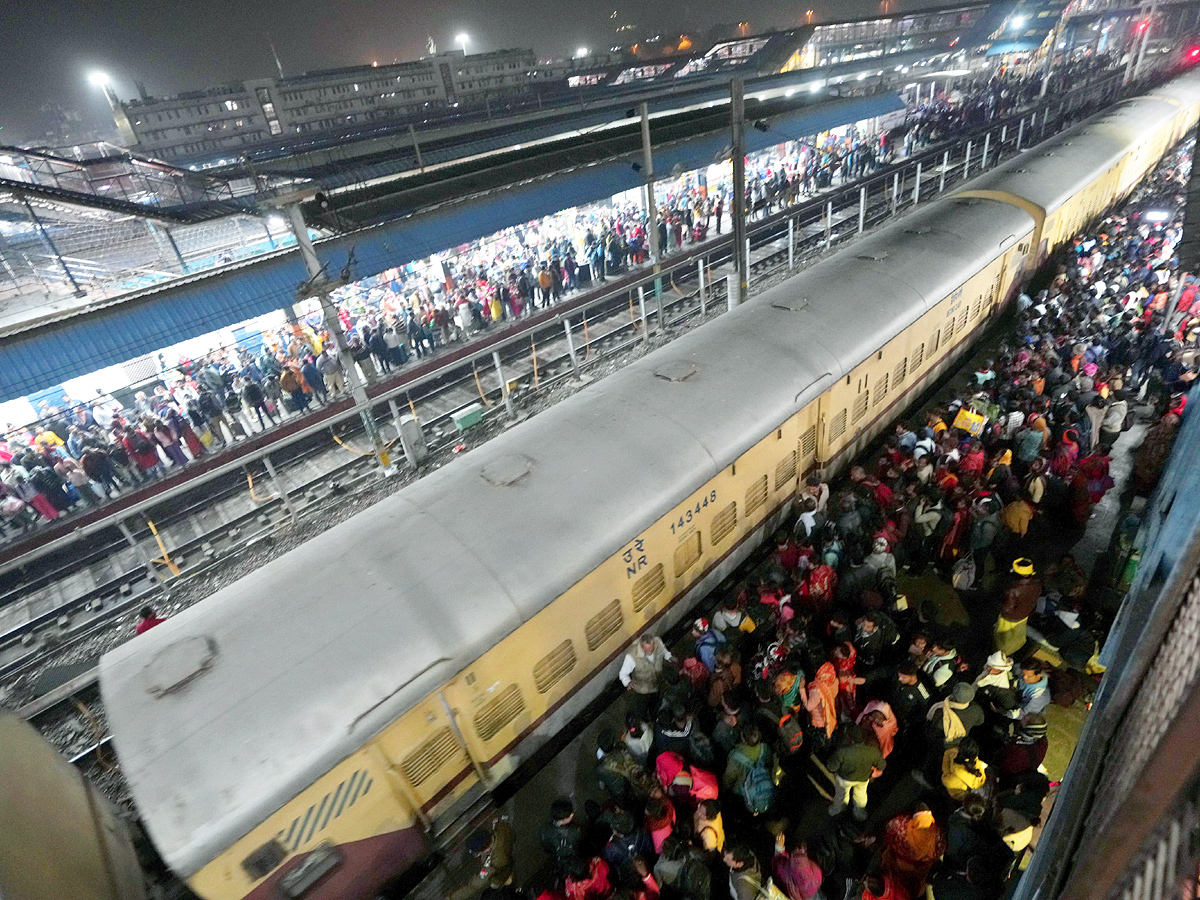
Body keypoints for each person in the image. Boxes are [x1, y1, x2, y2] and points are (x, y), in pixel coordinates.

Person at [825, 724, 884, 820]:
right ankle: (860, 813)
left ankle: (838, 809)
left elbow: (832, 768)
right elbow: (882, 765)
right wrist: (874, 773)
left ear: (851, 738)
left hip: (845, 779)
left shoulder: (843, 752)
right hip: (863, 779)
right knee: (860, 796)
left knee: (841, 795)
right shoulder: (872, 752)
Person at [618, 634, 674, 720]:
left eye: (652, 649)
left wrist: (669, 656)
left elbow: (663, 651)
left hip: (656, 684)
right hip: (642, 690)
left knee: (655, 703)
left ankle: (653, 715)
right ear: (641, 646)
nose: (650, 652)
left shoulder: (657, 642)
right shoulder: (632, 656)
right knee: (642, 707)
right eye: (647, 651)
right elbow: (623, 673)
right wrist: (627, 681)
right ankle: (644, 718)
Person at [995, 559, 1041, 655]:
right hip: (1025, 615)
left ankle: (1002, 653)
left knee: (1004, 639)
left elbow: (1007, 609)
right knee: (1018, 635)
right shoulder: (1037, 583)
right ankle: (1016, 647)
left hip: (1010, 618)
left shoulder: (1013, 589)